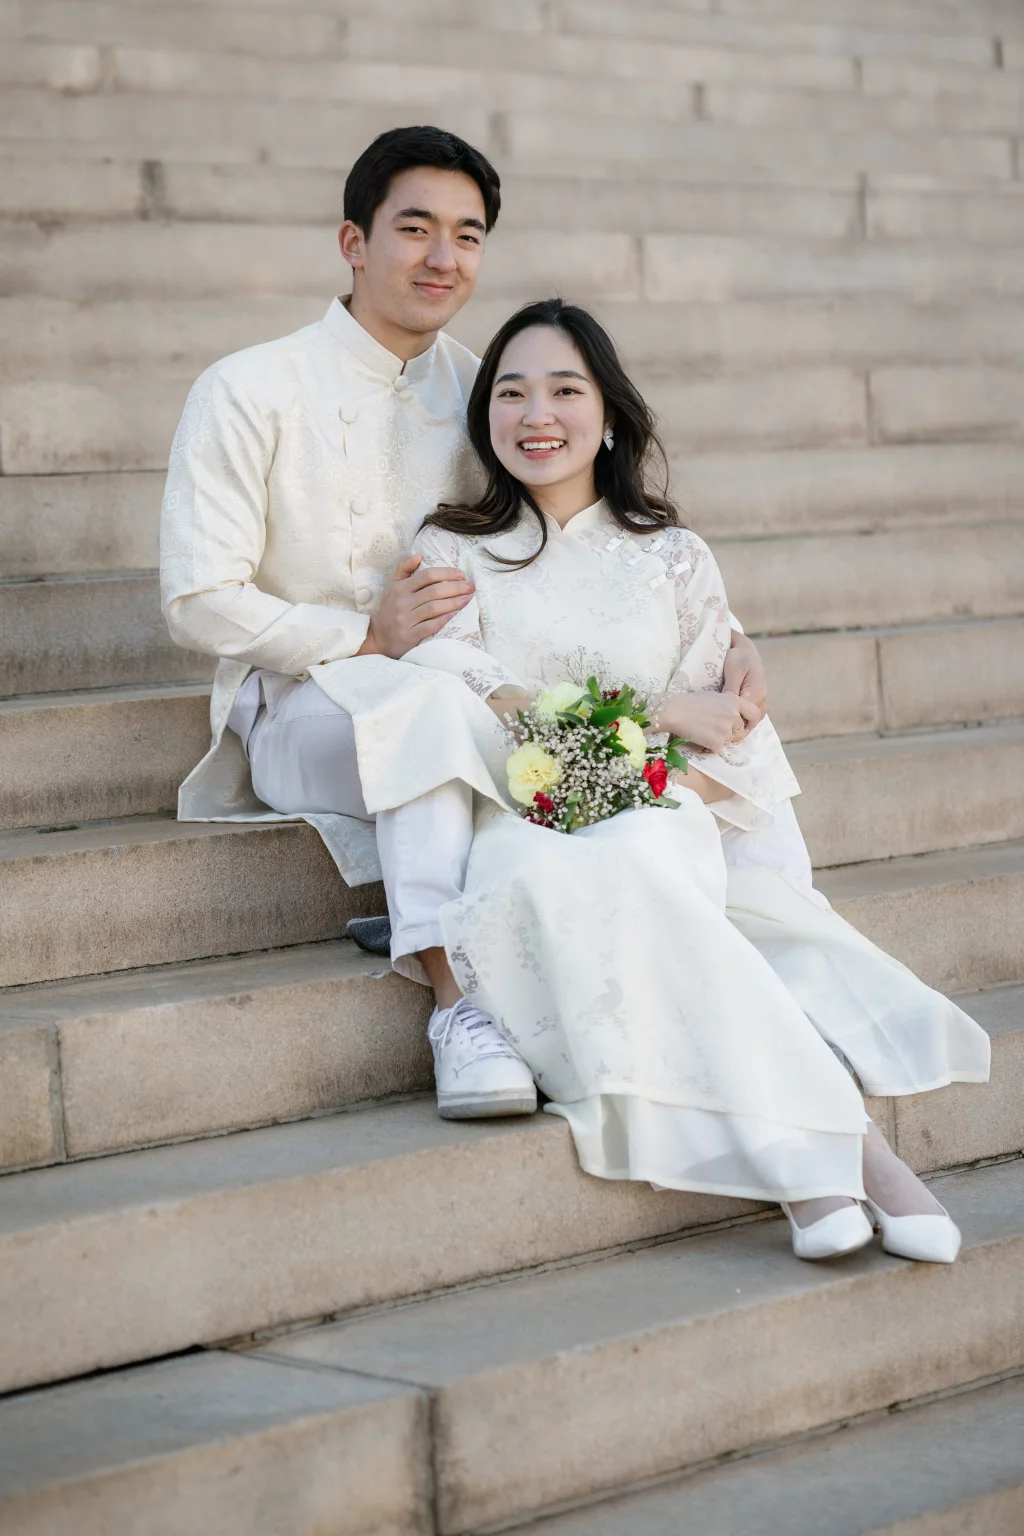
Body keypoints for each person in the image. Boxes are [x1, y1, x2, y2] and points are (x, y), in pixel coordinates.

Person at [322, 298, 990, 1265]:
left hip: (660, 817)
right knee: (610, 869)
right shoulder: (451, 550)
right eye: (510, 393)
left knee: (646, 851)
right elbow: (499, 716)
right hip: (528, 828)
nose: (535, 414)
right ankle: (860, 1164)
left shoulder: (674, 556)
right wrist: (664, 714)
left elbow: (725, 741)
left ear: (608, 412)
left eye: (564, 389)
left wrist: (690, 739)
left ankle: (823, 1177)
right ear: (485, 418)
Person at [160, 125, 766, 1117]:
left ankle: (633, 905)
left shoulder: (487, 385)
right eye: (415, 228)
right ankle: (461, 1006)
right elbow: (195, 599)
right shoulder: (248, 388)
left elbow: (587, 518)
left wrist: (733, 637)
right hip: (304, 709)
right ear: (352, 241)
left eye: (468, 235)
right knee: (440, 699)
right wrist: (364, 637)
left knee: (476, 699)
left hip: (471, 689)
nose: (443, 258)